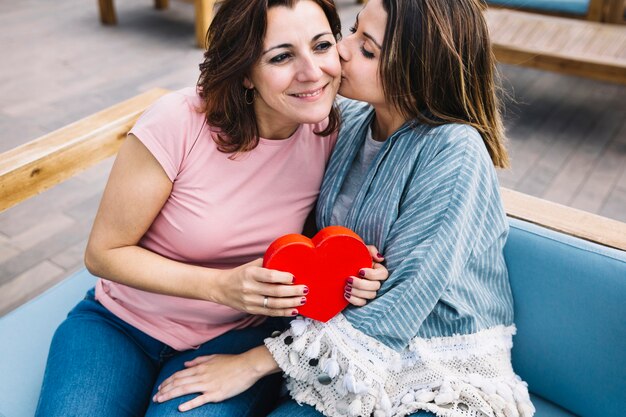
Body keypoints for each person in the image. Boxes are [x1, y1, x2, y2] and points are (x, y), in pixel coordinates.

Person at [153, 0, 536, 416]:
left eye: (367, 49)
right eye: (353, 30)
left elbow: (401, 304)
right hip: (337, 344)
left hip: (432, 368)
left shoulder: (454, 150)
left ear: (418, 70)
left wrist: (250, 365)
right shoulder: (348, 121)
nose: (343, 50)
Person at [34, 1, 387, 417]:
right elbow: (103, 253)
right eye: (281, 56)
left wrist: (361, 274)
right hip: (120, 324)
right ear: (244, 73)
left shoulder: (333, 130)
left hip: (239, 336)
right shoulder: (177, 122)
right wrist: (220, 286)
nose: (312, 72)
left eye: (322, 46)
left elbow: (336, 239)